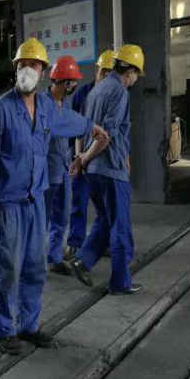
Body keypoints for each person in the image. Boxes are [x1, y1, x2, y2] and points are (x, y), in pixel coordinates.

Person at [0, 38, 109, 356]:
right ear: (16, 69)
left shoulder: (48, 107)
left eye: (34, 65)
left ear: (42, 72)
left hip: (36, 200)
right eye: (23, 64)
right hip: (8, 203)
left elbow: (69, 122)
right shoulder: (0, 110)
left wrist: (91, 127)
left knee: (35, 266)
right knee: (9, 268)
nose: (28, 69)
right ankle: (5, 329)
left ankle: (28, 324)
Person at [69, 44, 145, 295]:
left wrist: (81, 159)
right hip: (110, 169)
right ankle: (120, 283)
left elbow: (82, 129)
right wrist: (85, 158)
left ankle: (83, 260)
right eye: (136, 74)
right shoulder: (119, 92)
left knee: (105, 220)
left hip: (93, 173)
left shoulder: (96, 90)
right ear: (130, 71)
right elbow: (106, 136)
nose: (135, 80)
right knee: (120, 227)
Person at [65, 50, 115, 260]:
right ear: (96, 70)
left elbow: (117, 131)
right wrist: (79, 158)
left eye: (110, 73)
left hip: (103, 160)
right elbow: (77, 129)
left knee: (105, 206)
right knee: (79, 200)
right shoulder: (82, 95)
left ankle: (101, 243)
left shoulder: (115, 96)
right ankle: (75, 243)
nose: (106, 77)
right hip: (81, 157)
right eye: (103, 72)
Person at [43, 55, 84, 276]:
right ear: (63, 81)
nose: (74, 85)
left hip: (64, 169)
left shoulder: (65, 104)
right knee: (41, 219)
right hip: (46, 172)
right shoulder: (42, 104)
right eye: (72, 81)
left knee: (61, 216)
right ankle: (31, 261)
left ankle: (55, 258)